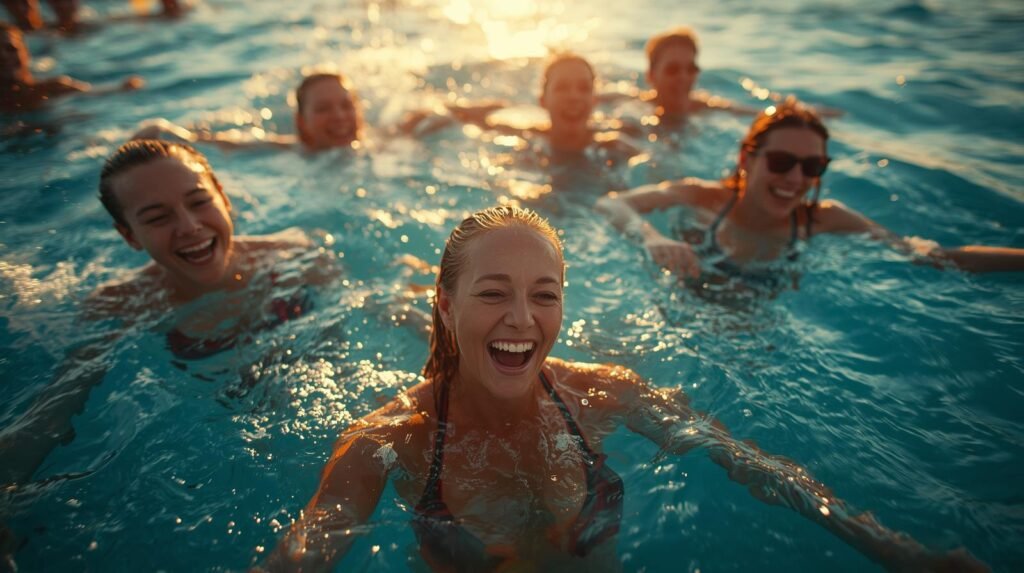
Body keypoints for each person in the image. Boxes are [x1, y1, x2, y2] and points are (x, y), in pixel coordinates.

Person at [257, 205, 987, 572]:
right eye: (494, 294)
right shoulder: (390, 438)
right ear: (444, 306)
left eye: (545, 294)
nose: (522, 319)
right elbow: (307, 548)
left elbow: (754, 466)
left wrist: (899, 551)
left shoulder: (602, 394)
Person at [0, 139, 338, 487]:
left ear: (223, 197)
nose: (189, 226)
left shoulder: (296, 256)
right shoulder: (123, 306)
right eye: (158, 218)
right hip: (229, 450)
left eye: (199, 202)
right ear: (129, 235)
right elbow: (53, 410)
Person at [596, 97, 1024, 279]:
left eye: (812, 166)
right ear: (747, 160)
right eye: (781, 162)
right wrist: (651, 237)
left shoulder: (824, 219)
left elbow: (931, 256)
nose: (796, 179)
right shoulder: (705, 197)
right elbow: (612, 203)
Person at [404, 52, 641, 163]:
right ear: (542, 101)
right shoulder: (522, 135)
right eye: (562, 88)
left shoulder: (618, 145)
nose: (573, 97)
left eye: (583, 88)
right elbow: (463, 115)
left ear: (595, 100)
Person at [133, 72, 363, 152]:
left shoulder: (385, 143)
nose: (340, 116)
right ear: (301, 122)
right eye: (323, 108)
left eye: (346, 105)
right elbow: (227, 145)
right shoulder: (288, 150)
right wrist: (166, 132)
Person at [0, 23, 143, 112]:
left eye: (11, 48)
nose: (4, 56)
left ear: (26, 52)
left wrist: (126, 87)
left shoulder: (54, 88)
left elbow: (96, 93)